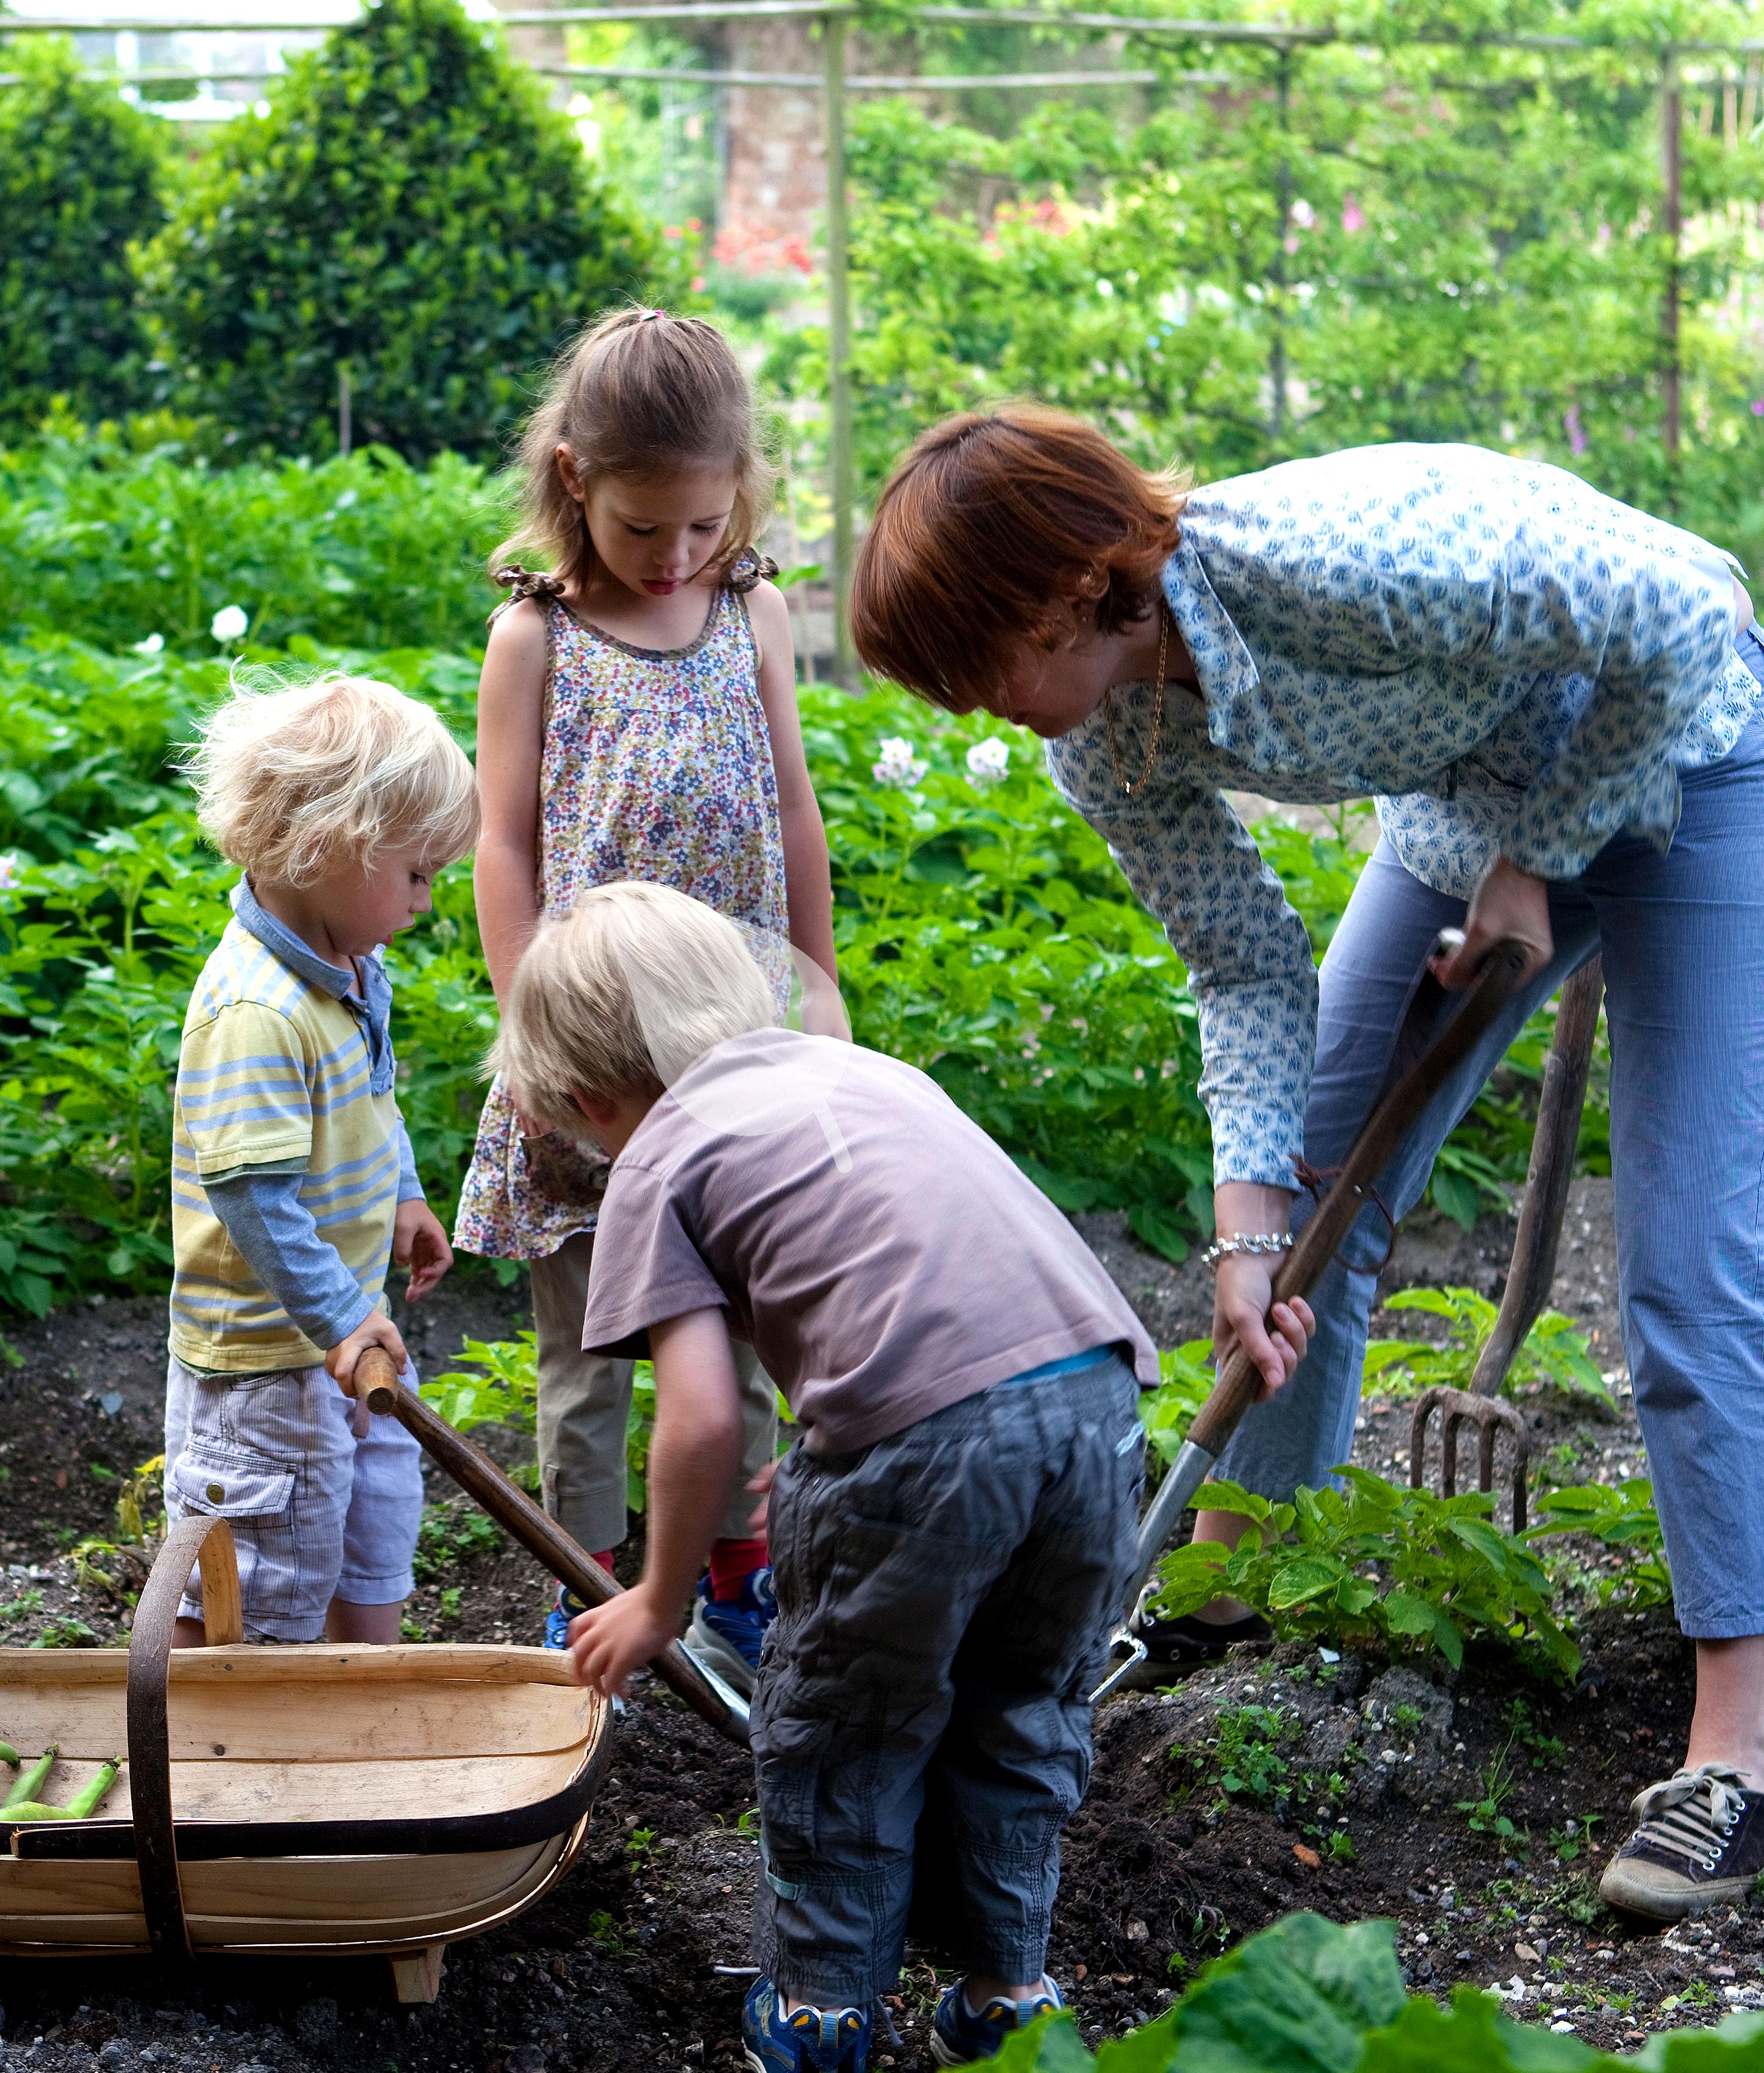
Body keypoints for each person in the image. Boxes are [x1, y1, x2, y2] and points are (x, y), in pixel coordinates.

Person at [849, 405, 1764, 1925]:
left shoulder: (1339, 556)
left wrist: (1539, 855)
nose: (982, 708)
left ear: (1068, 589)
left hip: (1702, 762)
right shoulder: (1103, 741)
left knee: (1683, 1261)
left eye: (980, 661)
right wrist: (1246, 1230)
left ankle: (1732, 1755)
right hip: (1479, 817)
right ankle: (1247, 1585)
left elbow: (1692, 609)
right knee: (1311, 1195)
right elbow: (1242, 966)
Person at [496, 882, 1264, 2073]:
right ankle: (1006, 2000)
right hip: (1097, 1405)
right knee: (1021, 1711)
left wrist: (658, 1599)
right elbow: (905, 1283)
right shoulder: (859, 1074)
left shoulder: (655, 1157)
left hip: (928, 1443)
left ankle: (818, 2021)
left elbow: (697, 1419)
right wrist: (836, 1466)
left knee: (845, 1730)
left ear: (590, 1099)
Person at [459, 305, 838, 1690]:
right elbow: (503, 844)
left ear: (739, 489)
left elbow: (791, 810)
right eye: (640, 530)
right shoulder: (538, 640)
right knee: (586, 1356)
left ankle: (732, 1592)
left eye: (700, 523)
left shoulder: (753, 612)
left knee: (736, 1341)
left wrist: (822, 985)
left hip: (731, 1048)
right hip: (594, 1055)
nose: (675, 556)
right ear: (573, 483)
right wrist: (531, 1031)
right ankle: (587, 1597)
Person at [160, 672, 479, 1649]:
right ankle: (216, 1760)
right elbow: (251, 1195)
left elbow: (367, 1105)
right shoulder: (258, 1010)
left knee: (369, 1534)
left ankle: (362, 1729)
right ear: (323, 843)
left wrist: (403, 1196)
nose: (428, 902)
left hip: (346, 1340)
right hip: (267, 1366)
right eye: (418, 873)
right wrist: (344, 1320)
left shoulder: (346, 967)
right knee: (255, 1583)